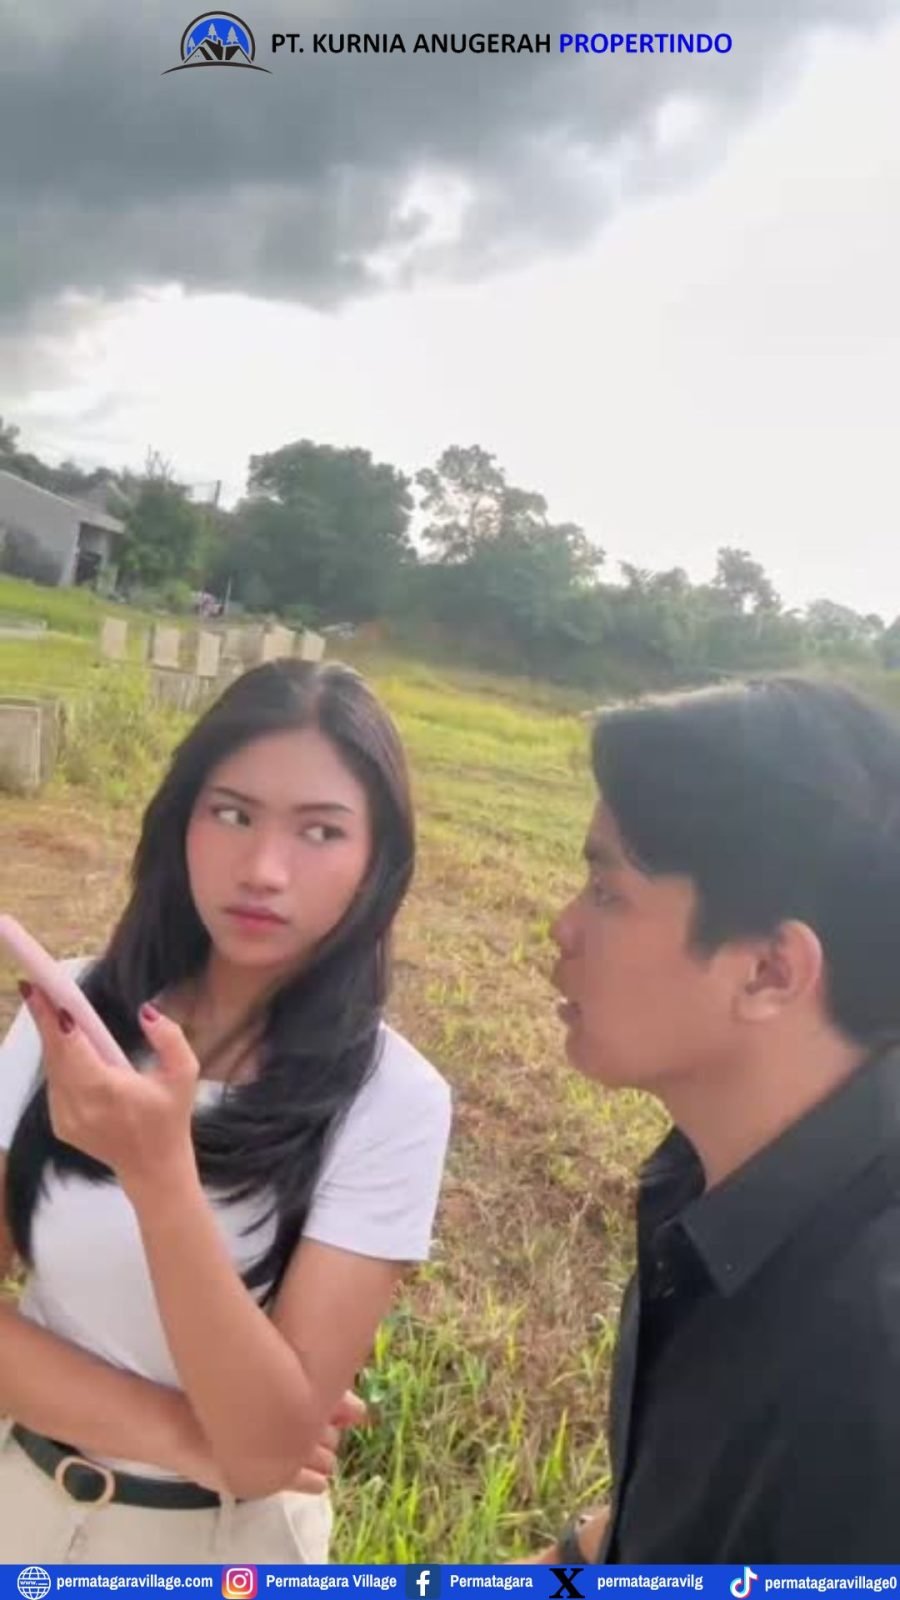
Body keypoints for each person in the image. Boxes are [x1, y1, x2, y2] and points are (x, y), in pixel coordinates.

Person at [0, 658, 452, 1564]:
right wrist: (192, 1435)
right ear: (183, 821)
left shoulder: (392, 1100)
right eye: (233, 814)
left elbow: (263, 1452)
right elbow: (251, 1445)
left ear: (376, 861)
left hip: (220, 1549)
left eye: (320, 831)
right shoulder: (72, 1015)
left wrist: (160, 1175)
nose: (264, 870)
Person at [536, 675, 900, 1563]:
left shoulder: (869, 1350)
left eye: (608, 893)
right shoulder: (711, 1180)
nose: (561, 927)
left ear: (771, 972)